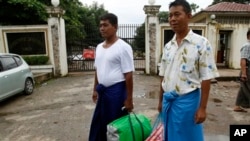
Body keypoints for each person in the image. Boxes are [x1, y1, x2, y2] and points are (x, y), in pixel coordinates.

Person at [157, 0, 219, 141]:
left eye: (177, 14)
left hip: (188, 103)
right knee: (170, 136)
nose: (172, 19)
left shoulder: (201, 43)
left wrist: (202, 108)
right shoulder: (168, 46)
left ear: (189, 16)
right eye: (170, 15)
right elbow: (163, 76)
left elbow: (207, 77)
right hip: (169, 102)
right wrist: (160, 101)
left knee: (188, 137)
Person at [88, 13, 134, 141]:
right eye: (100, 25)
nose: (102, 28)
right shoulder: (99, 47)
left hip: (117, 93)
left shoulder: (123, 47)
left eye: (105, 25)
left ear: (115, 27)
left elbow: (128, 75)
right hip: (103, 92)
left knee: (115, 126)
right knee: (99, 124)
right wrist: (95, 89)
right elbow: (97, 70)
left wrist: (129, 99)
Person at [233, 29, 250, 112]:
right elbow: (243, 60)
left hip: (247, 70)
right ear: (248, 36)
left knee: (243, 88)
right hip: (247, 70)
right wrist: (244, 73)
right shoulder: (247, 46)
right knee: (247, 88)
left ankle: (237, 106)